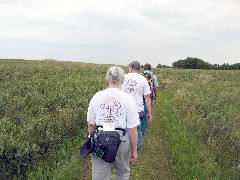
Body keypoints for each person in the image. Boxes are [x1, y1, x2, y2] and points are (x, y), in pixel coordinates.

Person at [87, 66, 139, 180]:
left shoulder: (97, 96)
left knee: (100, 175)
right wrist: (134, 150)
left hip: (100, 140)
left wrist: (91, 143)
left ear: (107, 79)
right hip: (122, 140)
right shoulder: (128, 98)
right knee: (122, 173)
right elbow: (132, 129)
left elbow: (91, 124)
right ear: (122, 80)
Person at [121, 61, 152, 150]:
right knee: (137, 129)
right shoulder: (143, 79)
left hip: (125, 109)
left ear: (131, 67)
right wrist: (149, 112)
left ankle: (125, 146)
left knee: (125, 128)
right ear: (138, 68)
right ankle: (137, 147)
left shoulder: (123, 78)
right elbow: (147, 96)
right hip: (138, 109)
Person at [141, 63, 159, 136]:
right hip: (150, 96)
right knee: (147, 112)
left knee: (141, 111)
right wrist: (156, 96)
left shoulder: (141, 75)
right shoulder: (153, 76)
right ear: (150, 68)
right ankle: (143, 130)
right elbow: (155, 87)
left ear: (144, 68)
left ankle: (139, 126)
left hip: (141, 97)